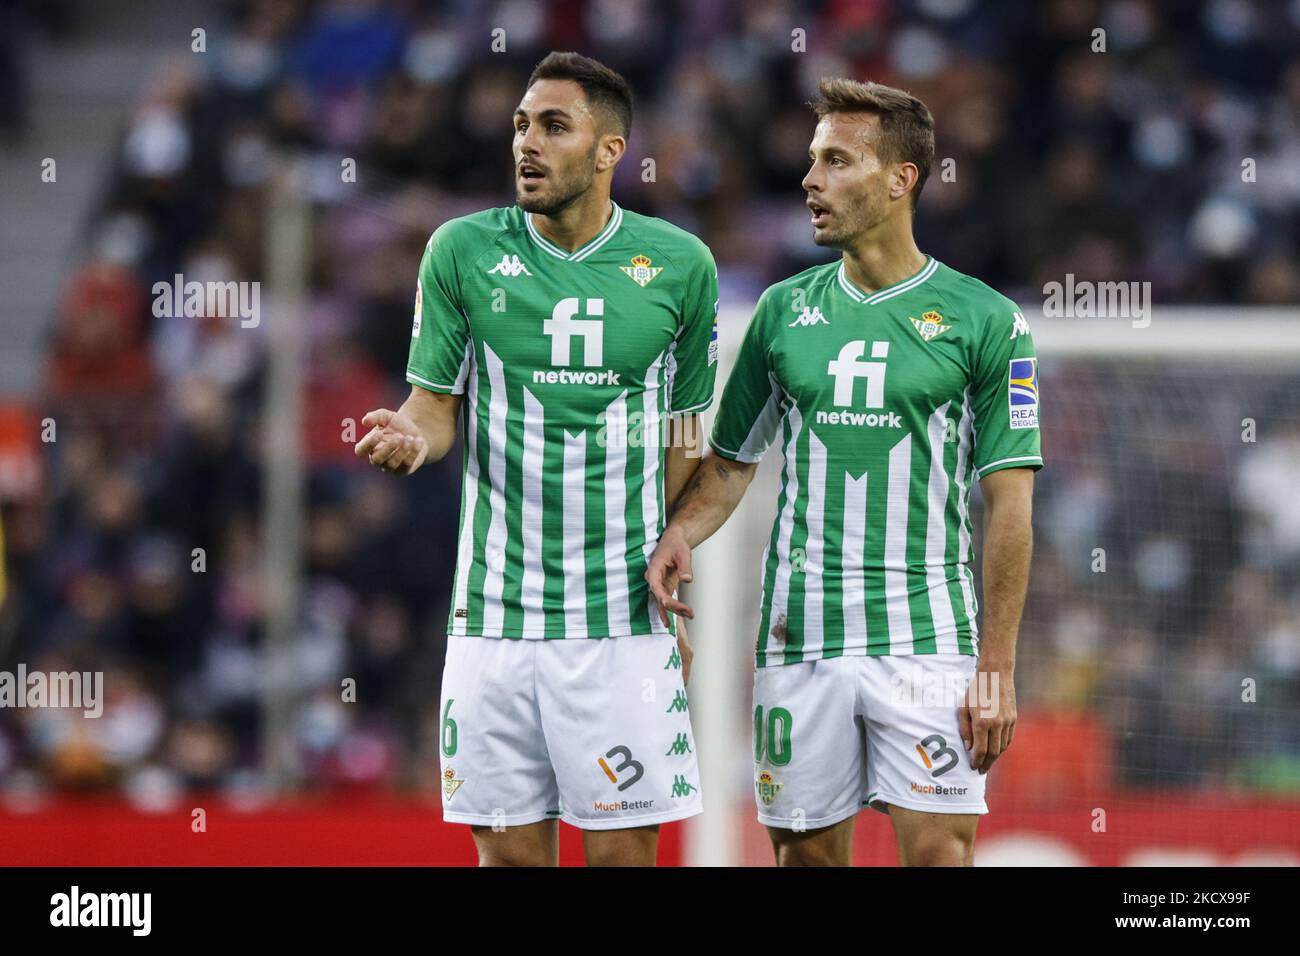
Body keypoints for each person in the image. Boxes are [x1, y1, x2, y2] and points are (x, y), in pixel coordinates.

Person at [646, 77, 1041, 866]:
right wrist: (680, 533)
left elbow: (1010, 508)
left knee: (939, 856)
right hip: (800, 640)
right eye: (810, 159)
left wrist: (995, 664)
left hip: (928, 639)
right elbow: (728, 465)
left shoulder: (986, 320)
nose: (809, 180)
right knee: (807, 862)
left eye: (836, 160)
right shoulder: (783, 312)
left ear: (902, 179)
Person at [355, 52, 718, 867]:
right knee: (510, 859)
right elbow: (434, 406)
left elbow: (687, 438)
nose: (528, 142)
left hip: (620, 623)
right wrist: (412, 438)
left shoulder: (680, 266)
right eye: (521, 125)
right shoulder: (461, 251)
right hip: (494, 619)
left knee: (622, 858)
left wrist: (673, 560)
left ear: (608, 149)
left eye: (554, 126)